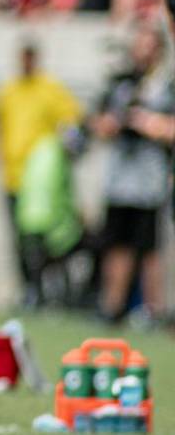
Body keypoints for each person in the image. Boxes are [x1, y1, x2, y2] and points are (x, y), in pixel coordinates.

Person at [87, 24, 173, 323]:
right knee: (116, 246)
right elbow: (96, 123)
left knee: (149, 250)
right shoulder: (120, 83)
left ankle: (154, 311)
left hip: (149, 181)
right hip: (120, 180)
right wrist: (112, 122)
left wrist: (152, 123)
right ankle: (113, 308)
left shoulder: (166, 86)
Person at [0, 42, 82, 307]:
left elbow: (71, 124)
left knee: (45, 239)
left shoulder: (51, 89)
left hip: (41, 184)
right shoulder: (8, 90)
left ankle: (48, 289)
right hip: (13, 176)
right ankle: (29, 289)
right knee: (20, 239)